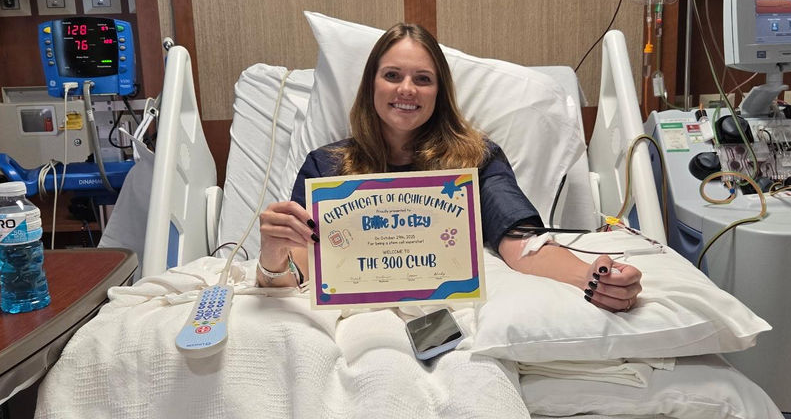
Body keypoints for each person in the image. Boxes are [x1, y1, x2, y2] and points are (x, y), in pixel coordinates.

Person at [256, 23, 642, 310]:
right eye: (392, 76)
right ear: (370, 85)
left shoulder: (474, 160)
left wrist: (591, 279)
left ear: (438, 94)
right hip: (354, 320)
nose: (406, 89)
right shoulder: (326, 167)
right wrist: (272, 258)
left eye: (422, 80)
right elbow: (302, 268)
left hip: (448, 318)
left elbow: (521, 241)